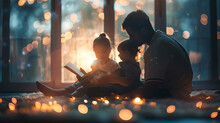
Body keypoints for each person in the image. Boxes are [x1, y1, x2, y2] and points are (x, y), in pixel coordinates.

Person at [122, 10, 193, 99]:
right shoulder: (162, 39)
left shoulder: (156, 48)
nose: (131, 39)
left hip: (174, 94)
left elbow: (151, 88)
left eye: (132, 35)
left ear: (143, 30)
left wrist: (126, 96)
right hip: (182, 91)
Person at [36, 33, 121, 97]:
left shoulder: (113, 64)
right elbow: (92, 74)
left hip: (102, 86)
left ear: (109, 50)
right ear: (94, 51)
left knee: (83, 86)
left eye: (104, 52)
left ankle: (71, 95)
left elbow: (116, 80)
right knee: (80, 83)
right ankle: (58, 92)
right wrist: (84, 75)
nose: (101, 54)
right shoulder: (95, 62)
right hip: (92, 83)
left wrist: (104, 78)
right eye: (98, 52)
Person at [77, 39, 141, 97]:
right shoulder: (123, 64)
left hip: (121, 89)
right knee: (87, 87)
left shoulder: (132, 67)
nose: (118, 55)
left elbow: (127, 82)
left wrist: (111, 78)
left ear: (127, 53)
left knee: (93, 90)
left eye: (120, 53)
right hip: (115, 87)